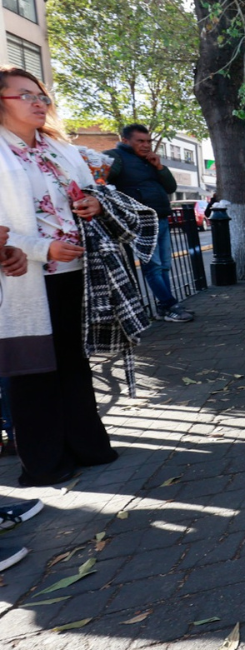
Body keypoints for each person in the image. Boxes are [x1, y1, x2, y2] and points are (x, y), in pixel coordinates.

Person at [0, 65, 119, 486]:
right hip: (21, 278)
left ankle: (88, 447)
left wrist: (94, 203)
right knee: (32, 370)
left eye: (42, 96)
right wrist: (41, 248)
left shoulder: (59, 148)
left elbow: (95, 193)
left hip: (74, 270)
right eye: (26, 95)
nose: (39, 103)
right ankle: (44, 463)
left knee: (73, 361)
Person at [106, 124, 194, 323]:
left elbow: (170, 187)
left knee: (164, 266)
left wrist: (160, 167)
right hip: (141, 220)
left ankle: (165, 307)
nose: (146, 145)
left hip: (160, 217)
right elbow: (102, 181)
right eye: (140, 141)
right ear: (125, 140)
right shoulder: (115, 157)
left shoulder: (150, 160)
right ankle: (170, 306)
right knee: (153, 266)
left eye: (148, 141)